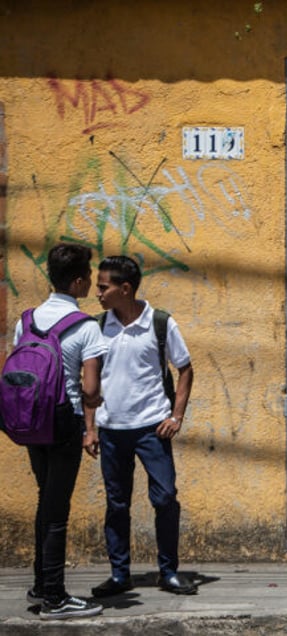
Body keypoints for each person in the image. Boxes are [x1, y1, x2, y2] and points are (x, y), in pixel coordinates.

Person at [90, 255, 198, 596]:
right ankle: (120, 575)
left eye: (104, 286)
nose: (98, 292)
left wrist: (176, 417)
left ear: (125, 288)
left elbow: (185, 369)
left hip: (152, 428)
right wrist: (89, 428)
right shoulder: (96, 326)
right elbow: (89, 383)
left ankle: (168, 572)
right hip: (110, 430)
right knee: (116, 503)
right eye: (97, 285)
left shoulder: (160, 323)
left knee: (165, 498)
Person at [14, 243, 107, 619]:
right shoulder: (86, 327)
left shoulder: (27, 318)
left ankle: (41, 582)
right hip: (63, 423)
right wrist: (90, 428)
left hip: (31, 421)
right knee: (56, 511)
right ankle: (54, 597)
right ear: (80, 280)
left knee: (45, 501)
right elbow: (90, 390)